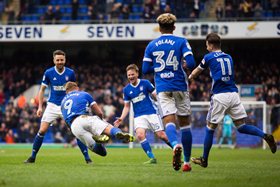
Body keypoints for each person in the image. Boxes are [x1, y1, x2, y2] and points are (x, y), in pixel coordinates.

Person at [189, 33, 277, 168]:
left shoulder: (208, 57)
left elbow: (195, 73)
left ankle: (204, 159)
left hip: (220, 96)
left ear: (211, 45)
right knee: (241, 127)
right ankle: (265, 135)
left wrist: (188, 77)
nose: (206, 48)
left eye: (207, 45)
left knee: (210, 128)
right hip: (234, 95)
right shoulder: (229, 57)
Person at [142, 13, 196, 171]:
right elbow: (191, 63)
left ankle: (174, 145)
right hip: (180, 85)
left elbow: (145, 69)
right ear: (174, 27)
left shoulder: (151, 45)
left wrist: (160, 68)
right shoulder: (181, 41)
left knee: (169, 122)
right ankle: (186, 163)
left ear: (159, 28)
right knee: (185, 125)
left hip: (163, 87)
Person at [24, 50, 93, 164]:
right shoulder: (49, 72)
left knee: (77, 130)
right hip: (52, 105)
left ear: (65, 60)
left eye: (62, 60)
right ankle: (32, 157)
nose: (60, 62)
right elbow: (42, 90)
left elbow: (74, 90)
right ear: (54, 61)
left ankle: (87, 159)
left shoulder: (70, 73)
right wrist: (40, 107)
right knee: (42, 130)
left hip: (66, 106)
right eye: (58, 60)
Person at [114, 64, 172, 164]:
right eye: (129, 75)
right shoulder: (126, 90)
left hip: (151, 112)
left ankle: (177, 148)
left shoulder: (145, 83)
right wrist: (121, 118)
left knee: (161, 135)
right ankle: (152, 158)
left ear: (137, 73)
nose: (131, 77)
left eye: (132, 74)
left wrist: (164, 103)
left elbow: (156, 95)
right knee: (140, 135)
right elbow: (127, 106)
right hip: (138, 116)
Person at [61, 81, 135, 158]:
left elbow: (67, 123)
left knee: (102, 152)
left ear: (67, 91)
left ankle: (95, 147)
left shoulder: (63, 102)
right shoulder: (84, 94)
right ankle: (117, 133)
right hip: (85, 117)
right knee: (108, 128)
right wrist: (101, 121)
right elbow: (99, 112)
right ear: (77, 88)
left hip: (74, 126)